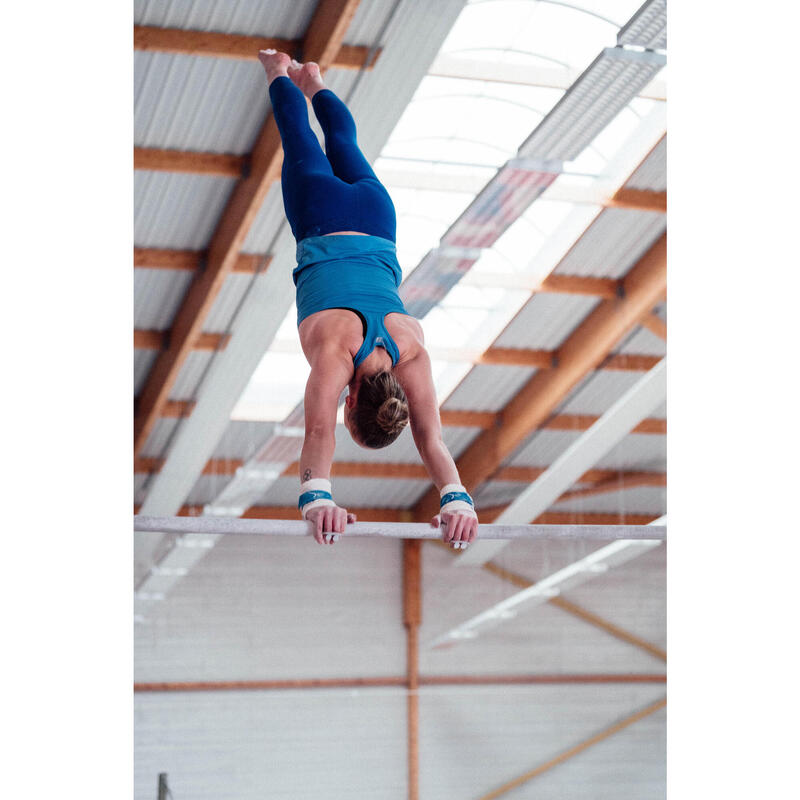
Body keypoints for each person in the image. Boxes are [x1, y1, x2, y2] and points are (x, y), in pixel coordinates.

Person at [257, 49, 479, 549]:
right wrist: (317, 497)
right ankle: (277, 70)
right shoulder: (336, 355)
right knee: (299, 139)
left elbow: (431, 439)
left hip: (379, 221)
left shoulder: (411, 348)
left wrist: (457, 499)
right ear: (351, 400)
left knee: (343, 140)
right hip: (320, 216)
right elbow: (318, 433)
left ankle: (313, 80)